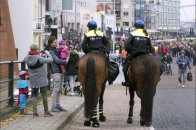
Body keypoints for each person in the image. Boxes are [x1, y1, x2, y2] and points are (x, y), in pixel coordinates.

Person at [24, 44, 53, 117]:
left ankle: (34, 112)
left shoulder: (26, 58)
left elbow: (27, 58)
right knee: (44, 95)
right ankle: (46, 112)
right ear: (36, 49)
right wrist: (48, 54)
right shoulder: (39, 58)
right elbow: (51, 60)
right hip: (42, 79)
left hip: (33, 80)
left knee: (34, 95)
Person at [122, 20, 153, 86]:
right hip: (144, 54)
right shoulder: (146, 34)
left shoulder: (133, 33)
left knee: (125, 67)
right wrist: (150, 52)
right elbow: (150, 46)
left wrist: (131, 50)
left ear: (136, 26)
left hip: (134, 54)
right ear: (142, 27)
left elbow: (127, 43)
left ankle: (127, 81)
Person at [45, 36, 67, 112]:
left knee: (58, 90)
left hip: (59, 71)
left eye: (56, 42)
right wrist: (66, 61)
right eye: (54, 42)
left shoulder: (55, 50)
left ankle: (57, 105)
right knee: (56, 90)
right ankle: (53, 106)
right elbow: (57, 61)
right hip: (56, 72)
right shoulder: (51, 51)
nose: (56, 43)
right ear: (50, 43)